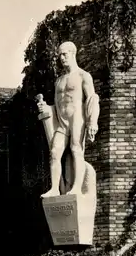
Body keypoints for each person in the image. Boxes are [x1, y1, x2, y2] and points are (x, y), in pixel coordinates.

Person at [37, 41, 99, 197]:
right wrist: (47, 108)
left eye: (64, 54)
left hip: (77, 117)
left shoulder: (83, 76)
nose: (62, 58)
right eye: (60, 55)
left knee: (76, 149)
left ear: (73, 53)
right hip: (61, 121)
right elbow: (58, 104)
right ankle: (55, 189)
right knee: (54, 151)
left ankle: (77, 188)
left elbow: (92, 98)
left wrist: (92, 121)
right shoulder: (59, 81)